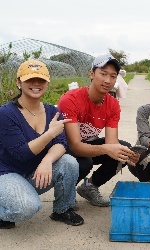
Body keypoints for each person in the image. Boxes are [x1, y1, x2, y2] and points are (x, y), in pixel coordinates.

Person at [0, 59, 84, 229]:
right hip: (7, 173)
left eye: (41, 80)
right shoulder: (6, 113)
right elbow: (21, 153)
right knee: (28, 207)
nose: (36, 84)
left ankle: (62, 210)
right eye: (30, 79)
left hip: (35, 172)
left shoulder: (53, 111)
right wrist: (49, 134)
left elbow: (61, 143)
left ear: (47, 83)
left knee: (69, 162)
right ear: (19, 83)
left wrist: (47, 161)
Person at [58, 54, 139, 207]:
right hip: (63, 149)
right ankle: (64, 192)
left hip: (88, 145)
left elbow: (112, 143)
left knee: (124, 150)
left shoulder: (113, 104)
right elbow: (75, 146)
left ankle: (89, 186)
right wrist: (108, 149)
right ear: (91, 73)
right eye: (103, 74)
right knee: (84, 162)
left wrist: (124, 155)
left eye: (113, 76)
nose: (107, 80)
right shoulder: (70, 100)